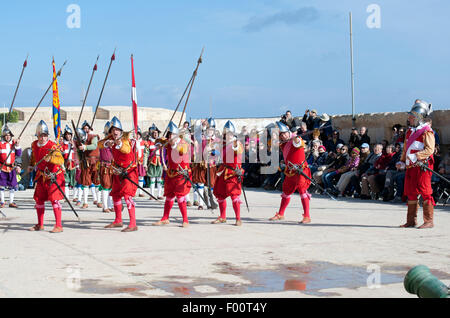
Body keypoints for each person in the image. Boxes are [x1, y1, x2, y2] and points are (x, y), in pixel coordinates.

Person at [399, 100, 435, 229]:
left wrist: (416, 156)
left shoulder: (427, 132)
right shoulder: (409, 132)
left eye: (412, 116)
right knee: (411, 192)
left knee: (425, 192)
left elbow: (429, 149)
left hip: (422, 166)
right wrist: (402, 161)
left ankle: (429, 221)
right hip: (410, 166)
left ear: (419, 117)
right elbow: (405, 149)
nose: (409, 119)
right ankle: (411, 220)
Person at [99, 116, 139, 232]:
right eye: (113, 130)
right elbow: (99, 144)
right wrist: (108, 142)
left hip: (129, 172)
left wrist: (118, 144)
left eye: (117, 130)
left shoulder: (125, 140)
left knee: (127, 196)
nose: (115, 132)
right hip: (118, 172)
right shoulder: (110, 138)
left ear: (121, 131)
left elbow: (126, 149)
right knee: (115, 195)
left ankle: (133, 223)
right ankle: (118, 220)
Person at [269, 121, 312, 224]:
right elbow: (271, 144)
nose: (283, 136)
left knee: (302, 191)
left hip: (300, 170)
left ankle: (307, 216)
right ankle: (280, 214)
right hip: (290, 171)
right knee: (286, 192)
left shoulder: (296, 139)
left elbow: (299, 143)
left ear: (288, 132)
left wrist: (296, 138)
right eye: (281, 135)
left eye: (284, 133)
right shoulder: (283, 144)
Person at [28, 120, 65, 233]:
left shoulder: (52, 146)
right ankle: (40, 224)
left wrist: (51, 158)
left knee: (54, 200)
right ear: (37, 135)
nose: (43, 138)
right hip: (41, 176)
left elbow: (60, 160)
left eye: (45, 135)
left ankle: (58, 225)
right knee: (39, 200)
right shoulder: (34, 144)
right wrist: (31, 165)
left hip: (54, 176)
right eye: (41, 135)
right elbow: (34, 157)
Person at [153, 121, 192, 228]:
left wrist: (172, 143)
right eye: (169, 135)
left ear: (177, 135)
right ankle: (165, 218)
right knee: (169, 196)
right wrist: (159, 143)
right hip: (171, 173)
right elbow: (158, 141)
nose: (171, 137)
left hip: (181, 173)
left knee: (180, 197)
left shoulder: (183, 144)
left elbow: (182, 150)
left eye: (173, 135)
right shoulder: (168, 143)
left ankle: (185, 220)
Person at [211, 120, 245, 226]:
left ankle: (238, 219)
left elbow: (237, 150)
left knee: (234, 196)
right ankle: (222, 217)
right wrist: (213, 153)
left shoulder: (237, 143)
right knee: (220, 195)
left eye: (230, 134)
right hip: (223, 171)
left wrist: (234, 143)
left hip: (233, 173)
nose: (228, 136)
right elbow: (220, 154)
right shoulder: (224, 145)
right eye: (226, 134)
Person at [77, 120, 100, 209]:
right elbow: (79, 151)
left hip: (95, 161)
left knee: (97, 182)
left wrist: (85, 147)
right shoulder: (81, 138)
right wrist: (79, 160)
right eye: (84, 128)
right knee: (85, 182)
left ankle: (98, 201)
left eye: (87, 128)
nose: (86, 130)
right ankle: (85, 202)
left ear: (90, 128)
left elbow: (94, 146)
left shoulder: (93, 136)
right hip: (86, 162)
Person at [0, 125, 22, 208]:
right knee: (1, 185)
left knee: (12, 185)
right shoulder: (0, 144)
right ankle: (2, 202)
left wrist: (17, 145)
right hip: (2, 167)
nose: (8, 137)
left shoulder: (13, 144)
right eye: (6, 135)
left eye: (9, 135)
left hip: (11, 168)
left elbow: (19, 154)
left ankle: (11, 202)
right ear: (3, 136)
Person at [144, 124, 164, 200]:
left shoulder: (161, 141)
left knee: (159, 179)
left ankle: (159, 194)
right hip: (152, 161)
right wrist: (145, 164)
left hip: (160, 161)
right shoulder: (148, 143)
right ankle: (152, 194)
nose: (155, 134)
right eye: (154, 133)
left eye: (156, 133)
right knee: (152, 179)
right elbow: (146, 154)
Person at [98, 121, 114, 213]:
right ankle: (105, 207)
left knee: (111, 187)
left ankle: (110, 205)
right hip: (105, 167)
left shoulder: (114, 142)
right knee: (105, 186)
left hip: (112, 167)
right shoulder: (102, 142)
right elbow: (102, 143)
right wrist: (108, 142)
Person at [61, 125, 76, 201]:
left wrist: (73, 146)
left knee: (74, 181)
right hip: (65, 164)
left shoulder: (74, 144)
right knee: (66, 181)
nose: (68, 136)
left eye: (69, 134)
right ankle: (66, 196)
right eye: (66, 134)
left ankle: (75, 197)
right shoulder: (62, 145)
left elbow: (77, 154)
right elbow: (61, 155)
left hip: (73, 164)